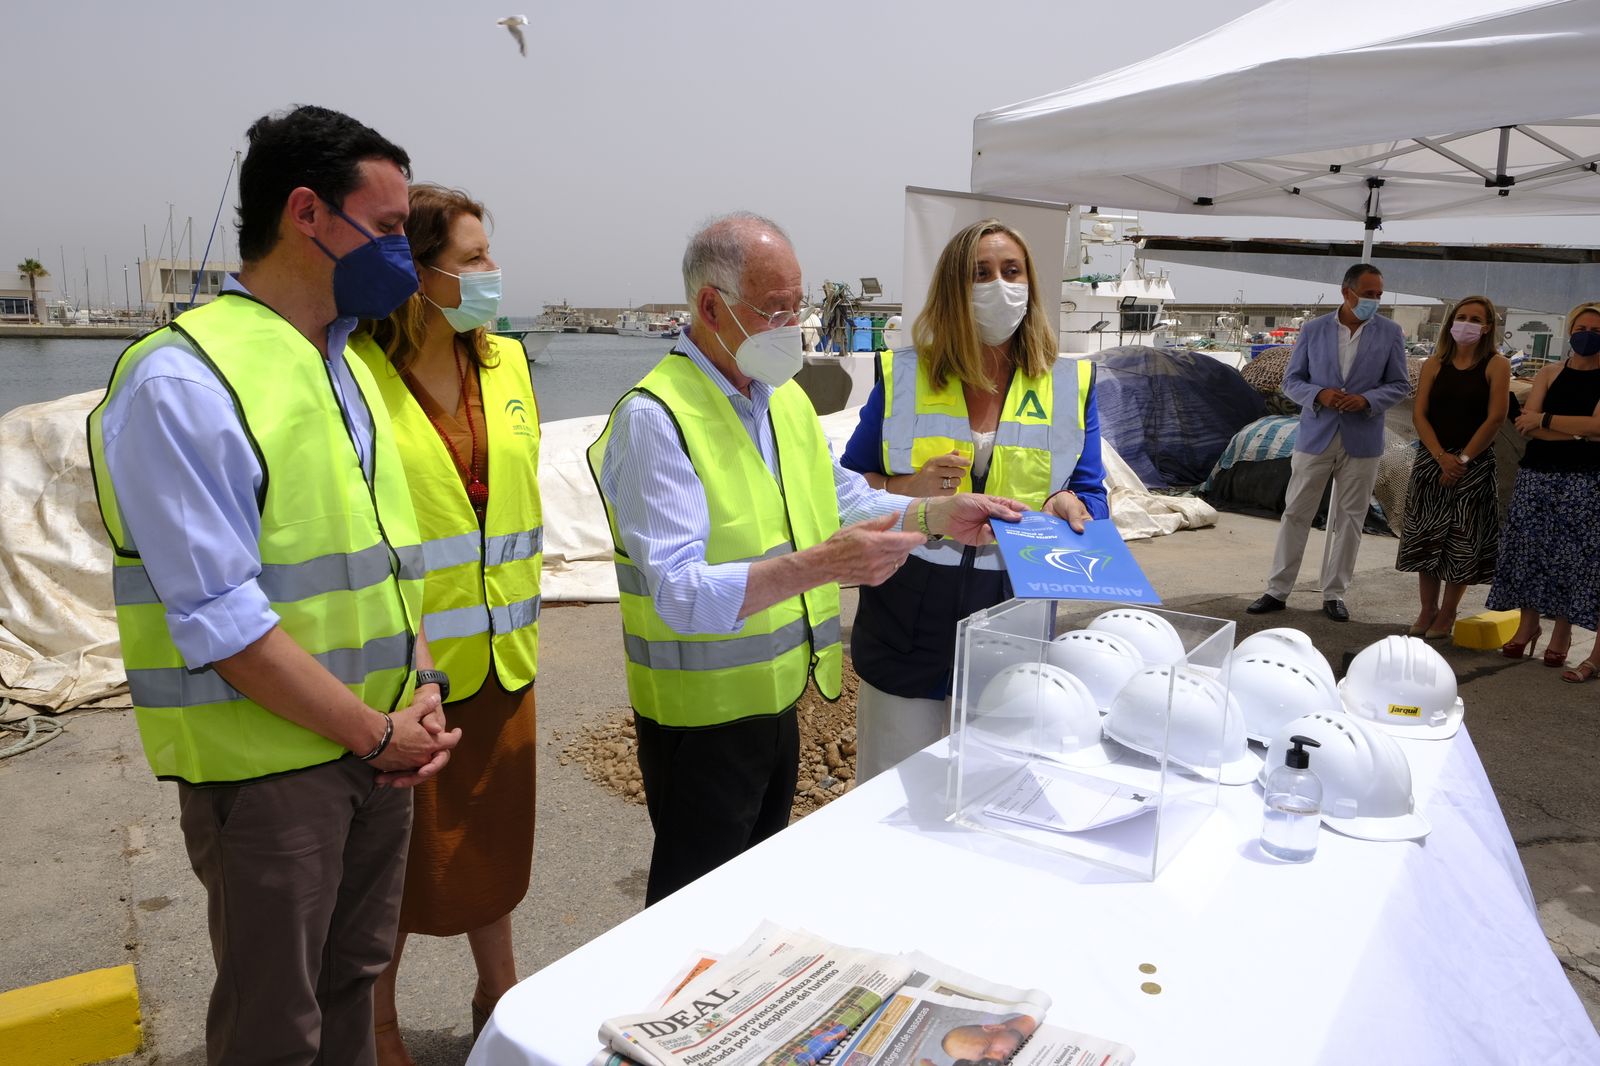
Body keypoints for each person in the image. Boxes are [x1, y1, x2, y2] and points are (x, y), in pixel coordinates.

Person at [86, 105, 461, 1066]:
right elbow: (221, 618)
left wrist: (421, 690)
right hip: (270, 773)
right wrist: (375, 732)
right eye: (383, 229)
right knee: (274, 1023)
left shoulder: (343, 364)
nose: (399, 255)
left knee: (353, 982)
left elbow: (384, 567)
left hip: (375, 745)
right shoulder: (184, 380)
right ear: (306, 213)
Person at [587, 212, 1024, 905]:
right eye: (776, 309)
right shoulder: (655, 418)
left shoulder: (780, 398)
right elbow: (677, 592)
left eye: (801, 305)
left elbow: (842, 496)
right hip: (700, 721)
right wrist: (825, 566)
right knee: (694, 911)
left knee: (755, 892)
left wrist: (937, 515)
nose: (795, 325)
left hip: (776, 698)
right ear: (710, 306)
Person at [352, 185, 541, 1059]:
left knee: (497, 846)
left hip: (507, 658)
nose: (492, 274)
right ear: (418, 273)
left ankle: (496, 990)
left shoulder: (505, 361)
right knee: (393, 866)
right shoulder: (358, 375)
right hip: (408, 672)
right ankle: (379, 1022)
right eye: (472, 260)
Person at [840, 218, 1108, 781]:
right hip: (906, 610)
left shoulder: (1070, 384)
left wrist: (1070, 505)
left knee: (994, 790)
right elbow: (848, 489)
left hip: (1015, 608)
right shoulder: (903, 375)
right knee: (891, 790)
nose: (999, 285)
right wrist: (906, 488)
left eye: (1012, 272)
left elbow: (1088, 495)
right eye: (979, 273)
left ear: (1031, 283)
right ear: (952, 289)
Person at [1248, 263, 1410, 622]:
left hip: (1363, 438)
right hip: (1316, 435)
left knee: (1351, 518)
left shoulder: (1390, 332)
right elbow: (1292, 381)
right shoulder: (1314, 329)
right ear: (1346, 292)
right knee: (1295, 513)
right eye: (1369, 294)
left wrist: (1367, 400)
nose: (1375, 301)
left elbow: (1400, 384)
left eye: (1379, 295)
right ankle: (1277, 589)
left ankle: (1335, 593)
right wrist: (1319, 394)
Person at [1487, 302, 1600, 677]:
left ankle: (1562, 634)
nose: (1587, 334)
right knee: (1530, 552)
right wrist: (1578, 431)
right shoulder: (1550, 373)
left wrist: (1549, 421)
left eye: (1595, 329)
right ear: (1570, 330)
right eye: (1581, 327)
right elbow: (1525, 425)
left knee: (1572, 558)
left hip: (1584, 480)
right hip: (1537, 474)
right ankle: (1528, 624)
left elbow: (1597, 428)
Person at [1395, 295, 1511, 639]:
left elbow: (1496, 418)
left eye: (1476, 319)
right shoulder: (1433, 364)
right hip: (1432, 462)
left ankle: (1448, 611)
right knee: (1425, 538)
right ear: (1450, 321)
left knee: (1462, 540)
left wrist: (1461, 460)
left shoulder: (1496, 365)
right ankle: (1427, 608)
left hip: (1472, 466)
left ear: (1487, 327)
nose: (1467, 324)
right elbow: (1419, 414)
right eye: (1462, 317)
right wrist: (1439, 456)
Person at [941, 1013, 1040, 1061]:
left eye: (988, 1047)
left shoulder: (1027, 1015)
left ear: (994, 1028)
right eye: (983, 1060)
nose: (998, 1058)